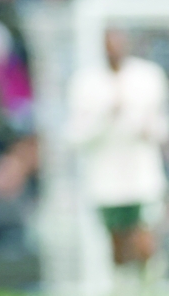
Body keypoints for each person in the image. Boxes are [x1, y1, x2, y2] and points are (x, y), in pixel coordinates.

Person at [68, 28, 169, 295]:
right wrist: (105, 116)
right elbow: (75, 134)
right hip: (106, 178)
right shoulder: (86, 82)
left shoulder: (148, 77)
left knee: (144, 237)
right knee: (118, 243)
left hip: (142, 175)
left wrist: (147, 127)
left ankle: (150, 284)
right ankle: (124, 287)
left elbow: (159, 124)